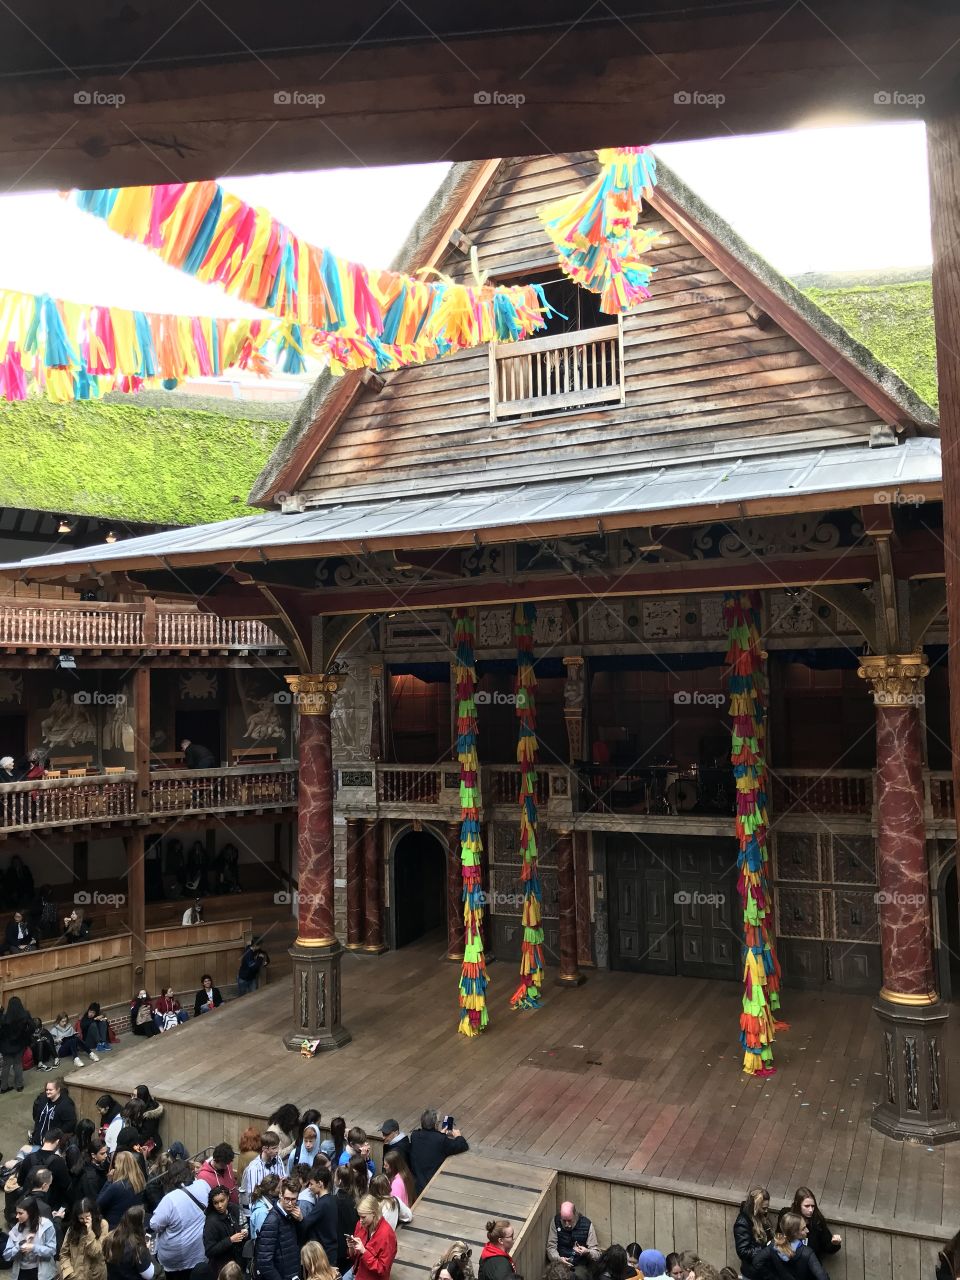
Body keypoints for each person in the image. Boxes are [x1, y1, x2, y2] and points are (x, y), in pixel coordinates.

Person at [148, 1158, 210, 1280]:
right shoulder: (204, 1185)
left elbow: (155, 1224)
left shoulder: (170, 1199)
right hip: (199, 1251)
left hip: (174, 1258)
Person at [750, 1213, 828, 1279]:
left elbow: (757, 1262)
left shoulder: (774, 1245)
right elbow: (822, 1277)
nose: (807, 1230)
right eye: (803, 1228)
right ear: (794, 1233)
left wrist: (771, 1277)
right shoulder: (807, 1253)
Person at [408, 1111, 468, 1196]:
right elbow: (462, 1146)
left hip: (417, 1183)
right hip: (432, 1184)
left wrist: (439, 1134)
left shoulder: (415, 1135)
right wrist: (458, 1136)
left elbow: (429, 1141)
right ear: (436, 1124)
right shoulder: (440, 1140)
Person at [254, 1178, 302, 1280]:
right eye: (287, 1198)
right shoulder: (272, 1220)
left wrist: (301, 1220)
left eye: (293, 1199)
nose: (290, 1203)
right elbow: (264, 1261)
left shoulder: (293, 1215)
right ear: (280, 1195)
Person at [3, 1195, 59, 1280]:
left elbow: (52, 1251)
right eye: (17, 1213)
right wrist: (19, 1246)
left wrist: (33, 1247)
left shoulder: (46, 1226)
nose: (17, 1216)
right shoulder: (16, 1229)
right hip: (22, 1272)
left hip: (41, 1273)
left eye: (20, 1213)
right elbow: (6, 1255)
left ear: (30, 1212)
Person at [18, 1128, 71, 1212]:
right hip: (49, 1205)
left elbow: (20, 1181)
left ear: (43, 1139)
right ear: (57, 1142)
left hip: (28, 1204)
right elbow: (66, 1185)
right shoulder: (59, 1162)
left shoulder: (29, 1158)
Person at [347, 1193, 397, 1280]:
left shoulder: (387, 1235)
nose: (360, 1221)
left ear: (374, 1213)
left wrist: (364, 1251)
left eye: (363, 1217)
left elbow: (382, 1270)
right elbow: (354, 1258)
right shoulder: (360, 1225)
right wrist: (351, 1248)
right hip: (356, 1271)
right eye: (359, 1216)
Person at [545, 1202, 601, 1279]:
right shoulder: (555, 1221)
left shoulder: (587, 1224)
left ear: (575, 1215)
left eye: (569, 1220)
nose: (567, 1224)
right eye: (564, 1221)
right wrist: (558, 1259)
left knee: (578, 1276)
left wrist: (587, 1252)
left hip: (579, 1265)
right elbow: (551, 1247)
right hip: (560, 1263)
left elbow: (597, 1254)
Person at [102, 1205, 155, 1280]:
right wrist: (147, 1251)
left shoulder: (110, 1237)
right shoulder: (138, 1248)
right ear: (139, 1224)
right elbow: (149, 1275)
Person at [60, 1198, 109, 1280]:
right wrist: (69, 1273)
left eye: (87, 1217)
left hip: (95, 1275)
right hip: (75, 1275)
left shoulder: (102, 1224)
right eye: (81, 1218)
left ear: (92, 1214)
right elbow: (64, 1253)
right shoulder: (72, 1228)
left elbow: (96, 1252)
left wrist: (89, 1231)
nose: (85, 1221)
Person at [203, 1186, 247, 1274]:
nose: (220, 1206)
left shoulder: (234, 1209)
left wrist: (244, 1232)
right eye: (216, 1203)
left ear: (227, 1197)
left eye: (222, 1201)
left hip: (238, 1263)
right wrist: (230, 1240)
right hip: (223, 1268)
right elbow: (209, 1251)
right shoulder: (211, 1222)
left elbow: (242, 1225)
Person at [97, 1151, 146, 1230]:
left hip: (115, 1228)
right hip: (132, 1227)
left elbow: (98, 1204)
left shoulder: (117, 1187)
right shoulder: (139, 1182)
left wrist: (108, 1181)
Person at [298, 1166, 338, 1261]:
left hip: (324, 1255)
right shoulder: (331, 1199)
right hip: (330, 1251)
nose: (309, 1187)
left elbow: (305, 1225)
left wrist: (300, 1218)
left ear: (320, 1183)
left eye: (311, 1184)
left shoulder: (322, 1204)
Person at [787, 1188, 841, 1258]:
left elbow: (827, 1246)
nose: (811, 1210)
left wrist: (835, 1243)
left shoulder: (817, 1221)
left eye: (813, 1206)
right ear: (798, 1204)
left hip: (812, 1263)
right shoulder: (787, 1218)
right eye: (806, 1206)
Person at [733, 1187, 773, 1280]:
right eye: (763, 1208)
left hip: (764, 1271)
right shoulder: (742, 1222)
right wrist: (765, 1248)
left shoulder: (762, 1217)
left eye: (767, 1207)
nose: (766, 1211)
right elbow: (743, 1251)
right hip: (752, 1273)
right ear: (755, 1206)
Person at [240, 1134, 286, 1211]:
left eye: (278, 1147)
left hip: (276, 1201)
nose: (277, 1150)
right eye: (274, 1148)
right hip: (261, 1205)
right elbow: (252, 1195)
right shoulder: (254, 1168)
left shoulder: (278, 1159)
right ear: (264, 1148)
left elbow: (283, 1179)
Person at [1, 995, 34, 1093]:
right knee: (18, 1064)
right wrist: (25, 1035)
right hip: (19, 1045)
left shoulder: (4, 1018)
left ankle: (4, 1087)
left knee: (6, 1066)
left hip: (6, 1046)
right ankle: (19, 1085)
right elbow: (32, 1027)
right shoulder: (26, 1015)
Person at [31, 1076, 77, 1144]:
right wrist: (35, 1132)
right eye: (46, 1090)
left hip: (52, 1143)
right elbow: (38, 1117)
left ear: (58, 1089)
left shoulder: (66, 1104)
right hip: (38, 1140)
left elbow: (70, 1123)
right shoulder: (43, 1099)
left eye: (50, 1090)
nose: (48, 1092)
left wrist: (56, 1134)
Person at [197, 1143, 239, 1207]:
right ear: (215, 1160)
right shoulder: (202, 1176)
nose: (225, 1167)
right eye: (222, 1165)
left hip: (234, 1205)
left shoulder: (227, 1163)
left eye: (227, 1164)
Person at [333, 1165, 357, 1274]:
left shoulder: (338, 1201)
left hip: (342, 1247)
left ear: (340, 1180)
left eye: (335, 1177)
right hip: (350, 1244)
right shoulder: (353, 1197)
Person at [247, 1174, 281, 1242]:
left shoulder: (268, 1204)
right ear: (271, 1191)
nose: (281, 1190)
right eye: (279, 1187)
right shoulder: (262, 1212)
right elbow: (261, 1239)